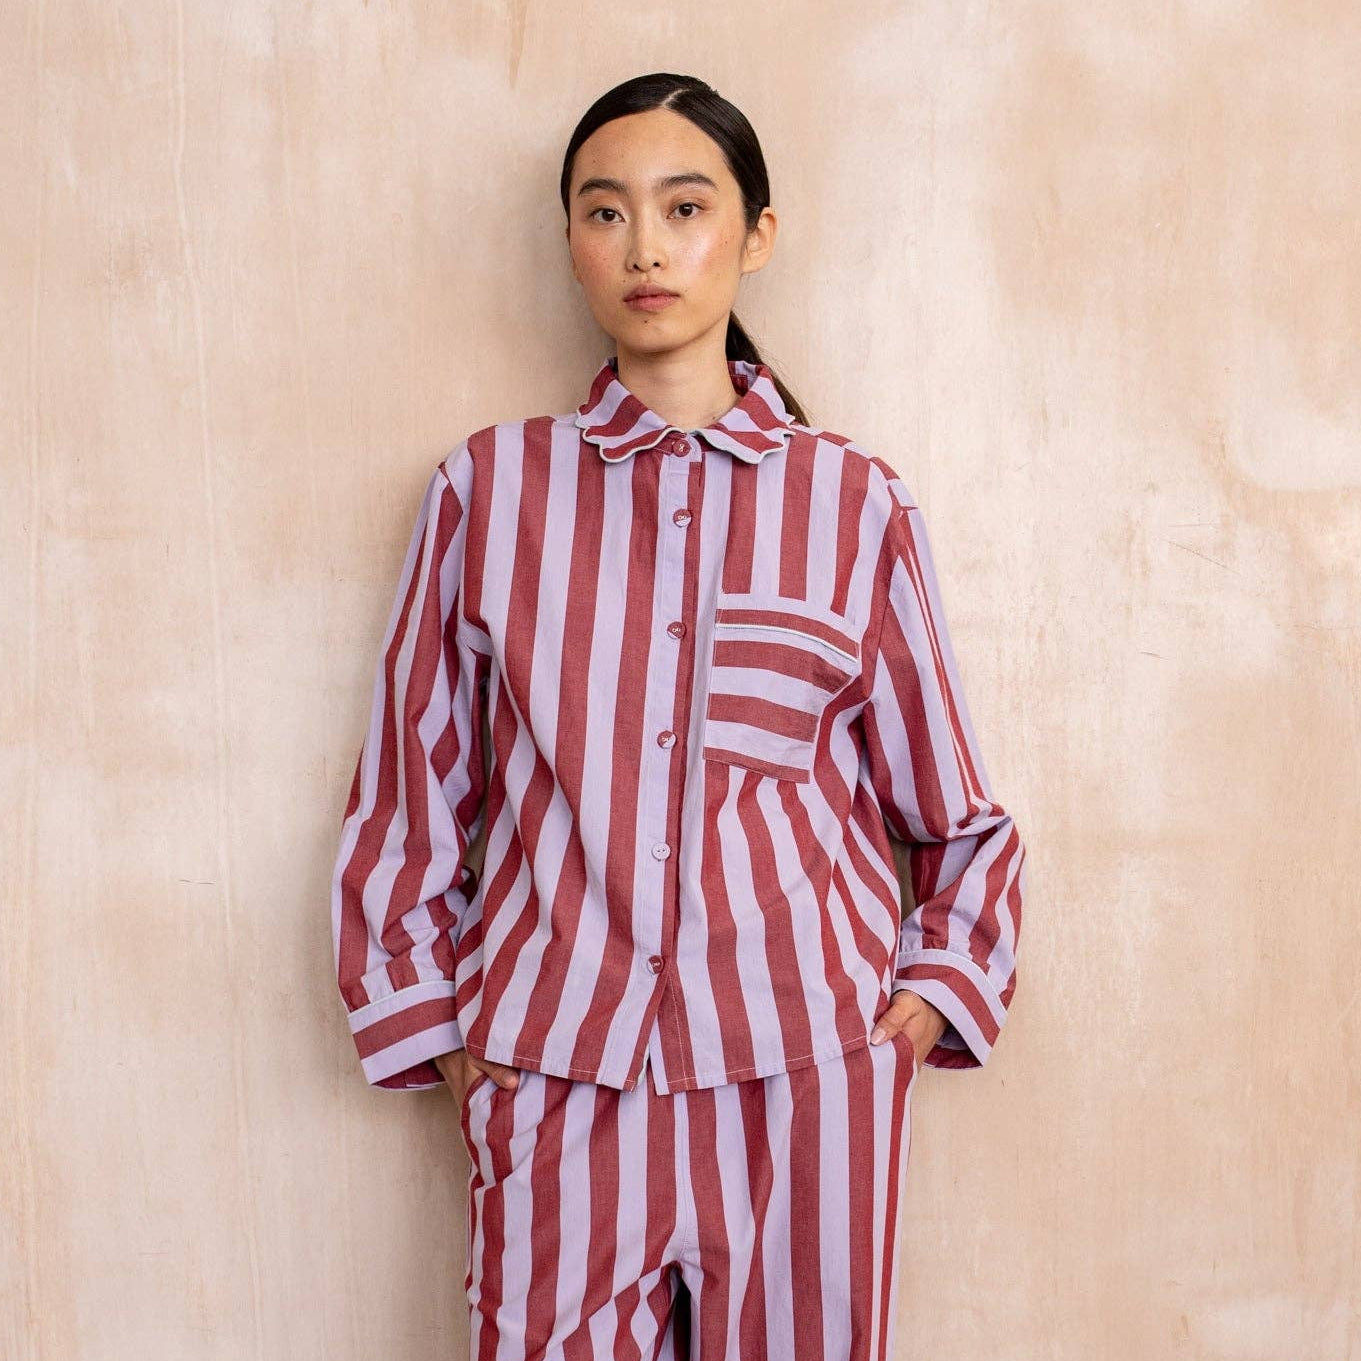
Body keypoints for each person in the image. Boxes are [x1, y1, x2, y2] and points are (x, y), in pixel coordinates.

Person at [329, 71, 1026, 1360]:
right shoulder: (489, 493)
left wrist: (917, 1011)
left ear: (755, 234)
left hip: (806, 1073)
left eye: (686, 206)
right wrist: (449, 1044)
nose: (646, 247)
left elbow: (957, 816)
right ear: (573, 244)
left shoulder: (853, 506)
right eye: (605, 213)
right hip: (556, 1075)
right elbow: (411, 790)